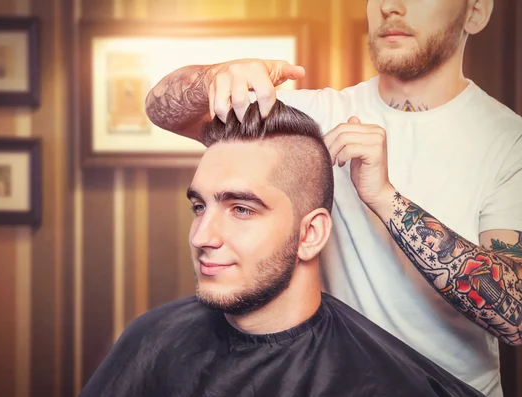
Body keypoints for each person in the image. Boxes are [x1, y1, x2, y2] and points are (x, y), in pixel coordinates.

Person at [143, 1, 522, 396]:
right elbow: (161, 108)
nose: (391, 7)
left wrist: (385, 199)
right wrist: (213, 78)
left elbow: (515, 316)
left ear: (476, 12)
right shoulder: (313, 116)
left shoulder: (509, 144)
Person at [79, 101, 484, 397]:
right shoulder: (152, 338)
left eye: (240, 209)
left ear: (310, 235)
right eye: (199, 207)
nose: (202, 236)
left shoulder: (389, 382)